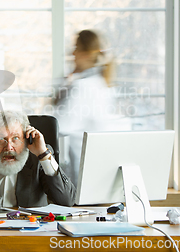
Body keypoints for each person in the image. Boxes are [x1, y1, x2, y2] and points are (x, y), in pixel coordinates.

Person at [53, 30, 130, 186]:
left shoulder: (82, 87)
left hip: (84, 171)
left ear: (85, 54)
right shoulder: (102, 83)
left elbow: (59, 125)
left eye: (76, 47)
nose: (72, 52)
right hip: (102, 167)